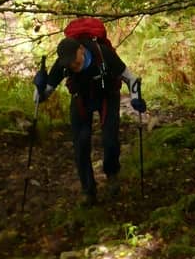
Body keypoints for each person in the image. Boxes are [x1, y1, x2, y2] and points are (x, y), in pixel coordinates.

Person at [33, 19, 146, 205]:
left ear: (81, 50)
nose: (73, 67)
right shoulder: (62, 64)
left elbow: (130, 78)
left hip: (107, 96)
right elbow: (41, 96)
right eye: (70, 66)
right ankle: (88, 190)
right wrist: (39, 86)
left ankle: (112, 176)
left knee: (110, 139)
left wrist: (135, 98)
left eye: (75, 62)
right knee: (81, 144)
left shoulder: (103, 54)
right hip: (81, 99)